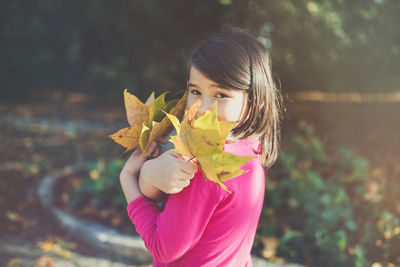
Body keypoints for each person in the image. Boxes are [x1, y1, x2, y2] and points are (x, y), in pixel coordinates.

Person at [119, 30, 283, 266]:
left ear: (256, 101)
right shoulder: (252, 149)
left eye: (220, 94)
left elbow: (162, 248)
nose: (204, 106)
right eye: (196, 91)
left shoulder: (207, 167)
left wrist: (128, 178)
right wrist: (150, 173)